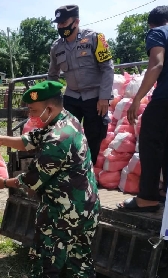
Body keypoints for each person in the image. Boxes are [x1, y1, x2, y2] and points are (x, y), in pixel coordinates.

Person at [0, 81, 100, 278]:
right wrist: (1, 140)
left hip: (63, 210)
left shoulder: (57, 138)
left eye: (34, 111)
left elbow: (33, 179)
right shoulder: (68, 121)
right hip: (87, 208)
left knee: (47, 254)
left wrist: (3, 183)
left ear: (49, 107)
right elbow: (29, 140)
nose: (31, 115)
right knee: (81, 253)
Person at [118, 5, 168, 212]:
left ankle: (147, 198)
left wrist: (138, 98)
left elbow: (156, 64)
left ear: (151, 25)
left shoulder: (158, 32)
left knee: (150, 141)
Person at [48, 4, 114, 165]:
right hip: (72, 96)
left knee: (94, 136)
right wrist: (51, 101)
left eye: (64, 23)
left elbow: (107, 68)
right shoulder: (56, 47)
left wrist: (104, 97)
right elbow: (52, 75)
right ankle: (72, 172)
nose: (60, 27)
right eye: (58, 23)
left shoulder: (95, 38)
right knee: (67, 136)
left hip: (95, 98)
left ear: (76, 21)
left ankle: (88, 173)